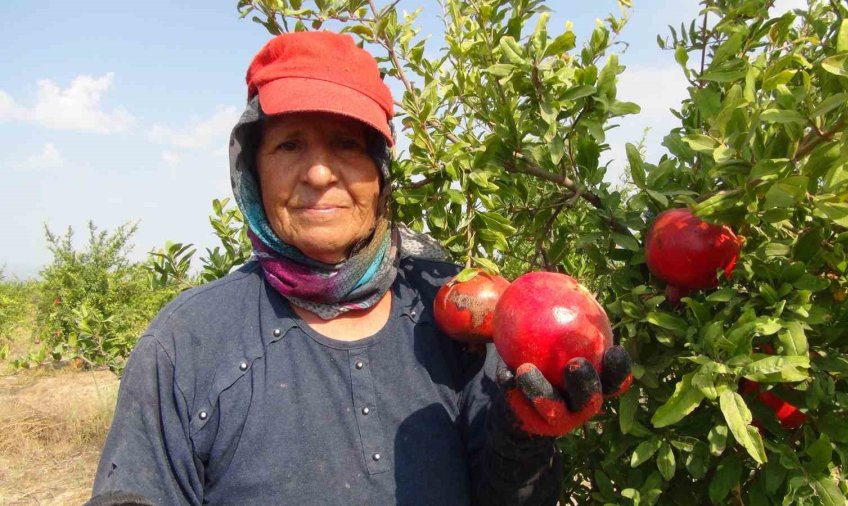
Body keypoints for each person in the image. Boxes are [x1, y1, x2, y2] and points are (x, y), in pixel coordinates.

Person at [89, 31, 631, 505]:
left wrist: (525, 441)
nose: (320, 172)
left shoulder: (456, 315)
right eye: (289, 144)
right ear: (252, 171)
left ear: (381, 171)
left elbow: (506, 496)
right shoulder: (190, 342)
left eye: (346, 144)